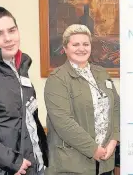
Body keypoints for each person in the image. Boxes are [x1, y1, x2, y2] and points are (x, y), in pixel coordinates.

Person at [0, 5, 48, 175]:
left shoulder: (20, 64)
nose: (8, 39)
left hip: (31, 164)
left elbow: (28, 117)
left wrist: (43, 157)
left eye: (12, 30)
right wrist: (12, 161)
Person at [44, 24, 120, 175]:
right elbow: (63, 122)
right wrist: (93, 149)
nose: (81, 48)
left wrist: (114, 140)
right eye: (75, 44)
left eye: (86, 44)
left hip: (105, 162)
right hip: (72, 165)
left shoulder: (101, 73)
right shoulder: (57, 78)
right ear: (65, 48)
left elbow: (116, 107)